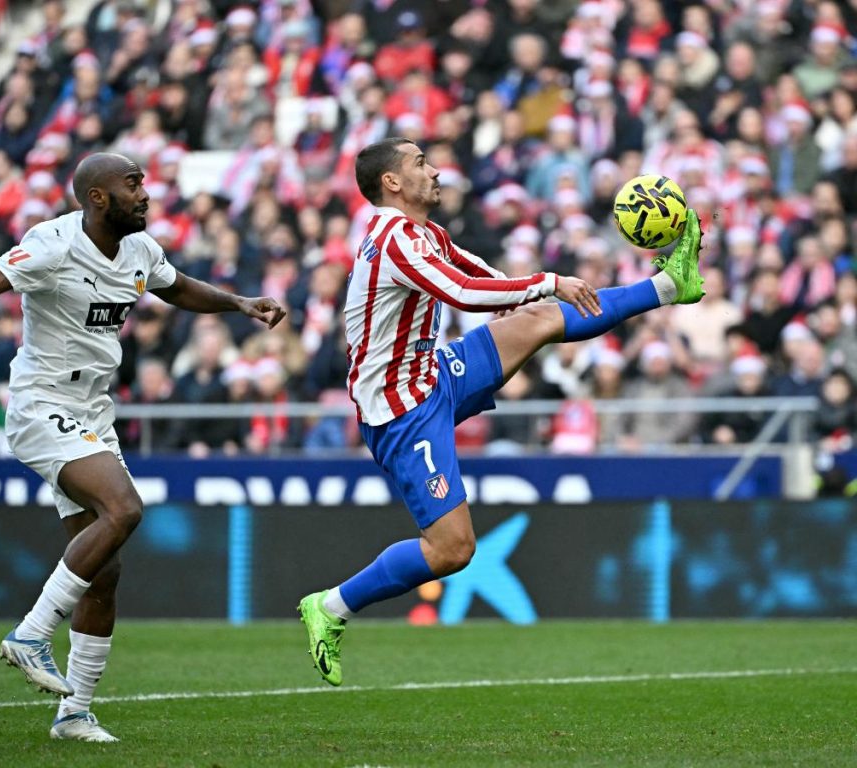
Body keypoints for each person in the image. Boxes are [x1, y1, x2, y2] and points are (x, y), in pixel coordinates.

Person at [0, 152, 286, 741]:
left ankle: (74, 712)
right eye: (133, 185)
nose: (146, 194)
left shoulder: (140, 249)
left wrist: (238, 304)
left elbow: (178, 289)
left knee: (104, 569)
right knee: (124, 509)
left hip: (93, 410)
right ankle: (30, 632)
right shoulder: (51, 244)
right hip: (41, 402)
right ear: (97, 198)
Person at [297, 137, 704, 686]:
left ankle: (666, 285)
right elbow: (465, 293)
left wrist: (541, 293)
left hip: (433, 376)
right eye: (421, 163)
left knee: (538, 318)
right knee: (453, 549)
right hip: (401, 414)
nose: (436, 170)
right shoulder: (393, 241)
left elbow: (491, 285)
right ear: (391, 182)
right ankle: (331, 606)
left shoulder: (424, 234)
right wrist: (552, 281)